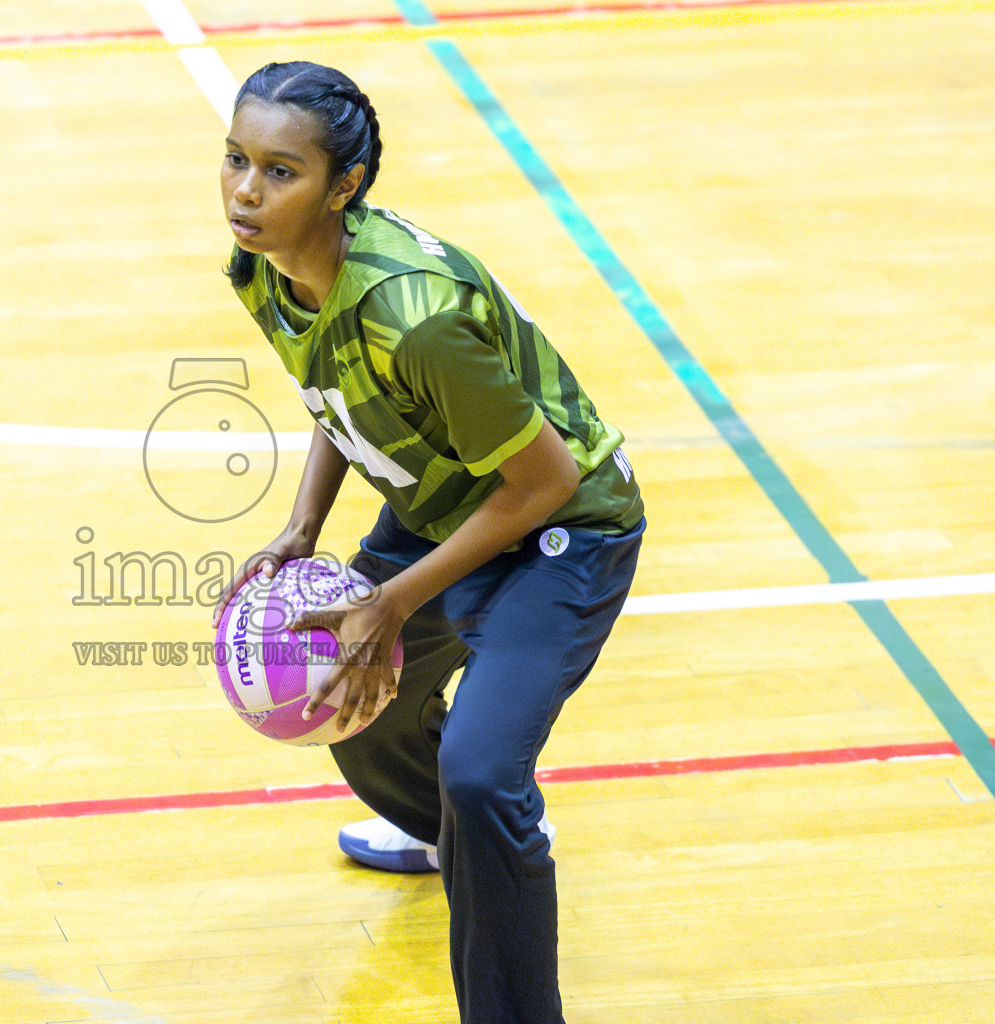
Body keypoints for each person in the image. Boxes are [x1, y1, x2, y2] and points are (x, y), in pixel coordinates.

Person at [210, 62, 646, 1024]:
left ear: (345, 187)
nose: (247, 190)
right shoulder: (266, 267)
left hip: (560, 530)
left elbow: (545, 481)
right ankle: (450, 836)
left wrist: (392, 600)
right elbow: (333, 382)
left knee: (484, 773)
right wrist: (303, 526)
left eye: (282, 173)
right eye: (237, 160)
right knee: (351, 700)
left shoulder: (416, 317)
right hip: (444, 503)